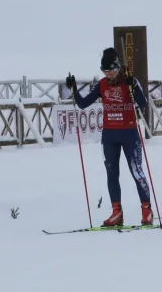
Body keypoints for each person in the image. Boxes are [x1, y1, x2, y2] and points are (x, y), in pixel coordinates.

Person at [65, 47, 152, 227]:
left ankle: (146, 209)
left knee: (137, 172)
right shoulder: (102, 84)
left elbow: (143, 104)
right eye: (105, 71)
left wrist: (134, 87)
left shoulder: (129, 81)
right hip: (110, 134)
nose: (109, 74)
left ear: (118, 67)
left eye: (111, 70)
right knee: (112, 174)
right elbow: (82, 104)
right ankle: (116, 212)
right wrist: (73, 89)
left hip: (129, 133)